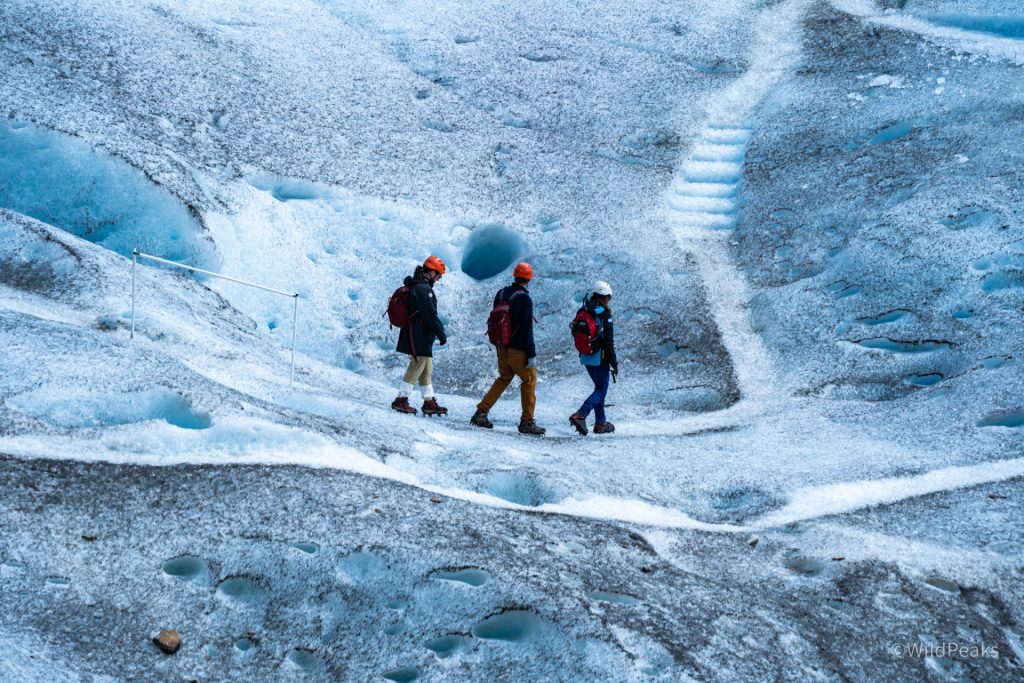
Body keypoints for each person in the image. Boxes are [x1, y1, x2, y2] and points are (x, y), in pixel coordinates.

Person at [470, 262, 546, 435]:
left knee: (504, 378)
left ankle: (481, 411)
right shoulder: (525, 298)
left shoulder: (501, 293)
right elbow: (527, 329)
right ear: (529, 279)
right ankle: (527, 422)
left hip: (501, 346)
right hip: (518, 349)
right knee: (529, 381)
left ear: (514, 276)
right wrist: (531, 353)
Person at [391, 256, 448, 416]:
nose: (439, 279)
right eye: (439, 275)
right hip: (418, 334)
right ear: (431, 272)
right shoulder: (424, 289)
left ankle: (429, 401)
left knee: (426, 368)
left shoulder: (417, 286)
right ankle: (401, 399)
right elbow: (430, 315)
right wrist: (441, 333)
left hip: (417, 333)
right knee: (417, 365)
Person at [569, 281, 617, 435]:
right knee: (601, 390)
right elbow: (609, 342)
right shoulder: (604, 315)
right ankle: (581, 414)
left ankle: (600, 424)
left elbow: (574, 331)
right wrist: (614, 363)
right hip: (600, 358)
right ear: (605, 297)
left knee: (598, 390)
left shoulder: (582, 310)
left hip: (586, 356)